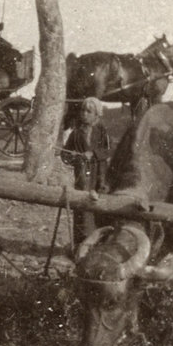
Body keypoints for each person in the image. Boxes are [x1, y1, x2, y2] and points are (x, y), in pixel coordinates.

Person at [61, 97, 111, 247]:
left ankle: (99, 242)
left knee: (99, 205)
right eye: (83, 110)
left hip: (99, 173)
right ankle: (80, 243)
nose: (84, 114)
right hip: (82, 175)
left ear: (97, 114)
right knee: (82, 205)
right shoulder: (75, 133)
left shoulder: (102, 130)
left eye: (89, 111)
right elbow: (65, 154)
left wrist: (94, 153)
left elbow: (109, 150)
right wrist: (72, 156)